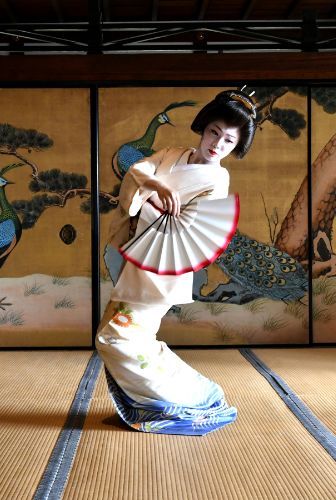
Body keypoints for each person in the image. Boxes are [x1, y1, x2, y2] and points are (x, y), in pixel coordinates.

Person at [96, 89, 257, 436]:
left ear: (236, 146)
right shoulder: (172, 153)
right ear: (203, 128)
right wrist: (156, 184)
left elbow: (188, 227)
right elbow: (138, 170)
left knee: (116, 338)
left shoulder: (217, 180)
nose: (217, 145)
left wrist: (151, 198)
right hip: (137, 258)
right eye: (214, 132)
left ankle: (193, 398)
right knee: (118, 336)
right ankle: (145, 404)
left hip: (163, 266)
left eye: (229, 140)